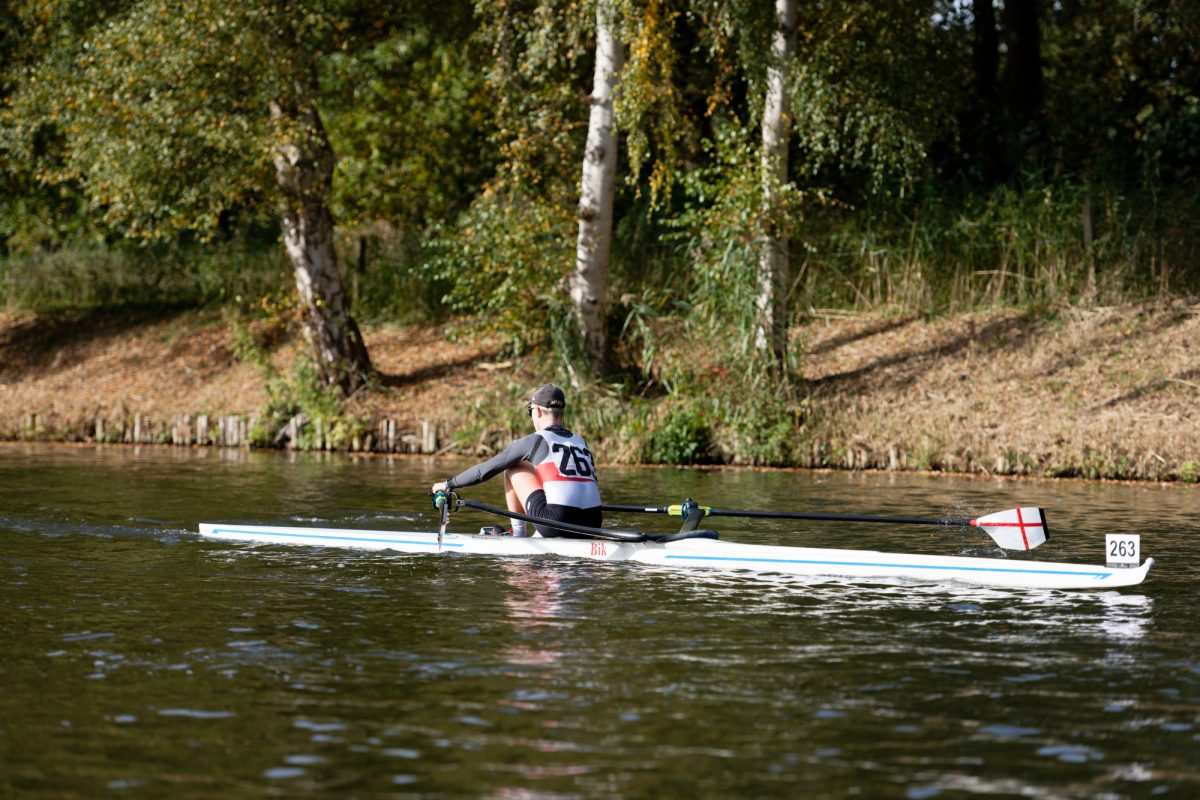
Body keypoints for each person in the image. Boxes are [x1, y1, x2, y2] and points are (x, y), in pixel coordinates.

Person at [430, 383, 602, 538]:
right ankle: (538, 534)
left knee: (514, 466)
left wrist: (447, 484)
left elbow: (484, 471)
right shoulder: (581, 441)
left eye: (530, 412)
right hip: (593, 523)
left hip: (555, 522)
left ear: (537, 411)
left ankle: (519, 534)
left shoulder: (535, 440)